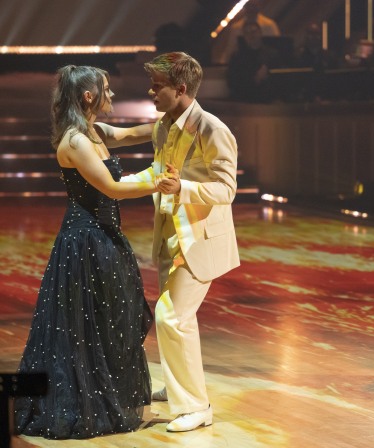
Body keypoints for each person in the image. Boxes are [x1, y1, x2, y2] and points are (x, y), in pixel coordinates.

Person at [14, 65, 169, 438]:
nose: (111, 95)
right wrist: (158, 182)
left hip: (104, 237)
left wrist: (174, 122)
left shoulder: (94, 132)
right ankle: (86, 403)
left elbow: (131, 133)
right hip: (85, 241)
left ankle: (106, 394)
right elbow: (112, 189)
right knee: (86, 326)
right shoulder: (75, 142)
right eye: (106, 89)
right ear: (88, 96)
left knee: (110, 318)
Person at [121, 52, 240, 432]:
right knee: (176, 317)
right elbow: (158, 171)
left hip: (199, 237)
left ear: (181, 88)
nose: (151, 92)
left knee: (171, 315)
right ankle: (178, 390)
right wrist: (116, 186)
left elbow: (227, 189)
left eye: (157, 86)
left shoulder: (212, 128)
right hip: (170, 233)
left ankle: (196, 407)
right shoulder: (164, 126)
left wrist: (183, 188)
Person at [227, 21, 281, 103]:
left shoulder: (272, 55)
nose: (251, 35)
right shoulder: (237, 58)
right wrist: (256, 79)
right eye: (247, 33)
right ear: (244, 36)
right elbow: (233, 83)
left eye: (254, 31)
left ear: (260, 33)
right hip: (245, 101)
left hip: (269, 100)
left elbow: (280, 79)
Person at [221, 0, 280, 64]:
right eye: (249, 5)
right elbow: (231, 49)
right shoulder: (236, 28)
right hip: (244, 62)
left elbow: (277, 45)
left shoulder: (269, 25)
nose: (251, 36)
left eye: (254, 32)